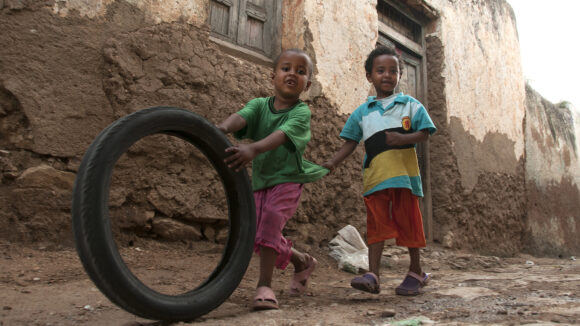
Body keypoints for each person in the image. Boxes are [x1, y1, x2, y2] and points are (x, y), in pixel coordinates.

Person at [216, 48, 328, 310]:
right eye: (286, 68)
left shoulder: (301, 113)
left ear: (307, 84)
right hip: (261, 180)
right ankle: (301, 261)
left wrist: (253, 149)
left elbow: (281, 135)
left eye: (301, 72)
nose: (293, 74)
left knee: (269, 223)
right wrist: (220, 128)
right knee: (259, 230)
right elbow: (239, 118)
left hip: (288, 178)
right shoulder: (258, 105)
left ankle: (264, 286)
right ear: (273, 75)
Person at [322, 45, 436, 296]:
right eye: (380, 70)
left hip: (405, 181)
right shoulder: (362, 113)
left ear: (399, 75)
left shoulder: (410, 105)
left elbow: (425, 133)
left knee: (409, 226)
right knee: (376, 227)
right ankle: (373, 275)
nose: (387, 75)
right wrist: (332, 162)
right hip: (375, 181)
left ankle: (416, 271)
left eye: (393, 71)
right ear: (369, 76)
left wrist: (403, 139)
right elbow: (350, 143)